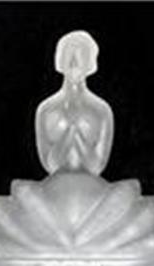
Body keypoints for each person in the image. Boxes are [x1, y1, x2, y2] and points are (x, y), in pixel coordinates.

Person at [35, 31, 114, 176]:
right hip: (55, 184)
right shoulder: (45, 110)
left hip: (92, 184)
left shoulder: (102, 111)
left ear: (90, 63)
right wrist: (71, 133)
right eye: (69, 56)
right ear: (59, 60)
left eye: (81, 56)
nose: (74, 63)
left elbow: (97, 165)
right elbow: (49, 163)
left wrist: (75, 136)